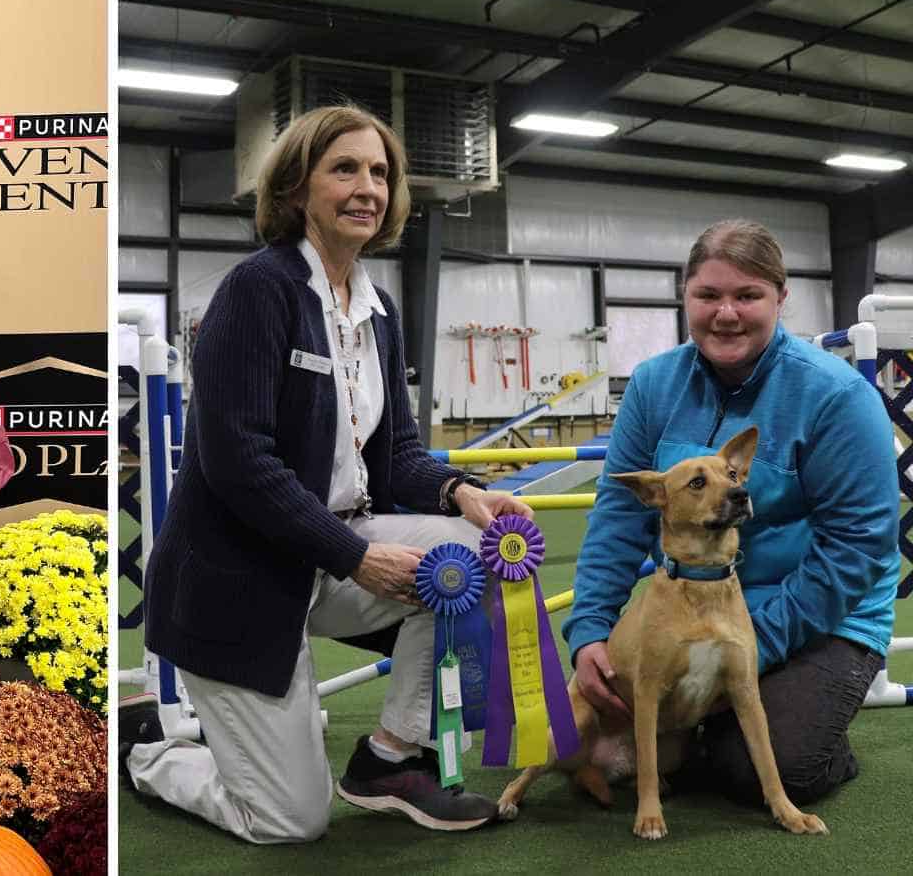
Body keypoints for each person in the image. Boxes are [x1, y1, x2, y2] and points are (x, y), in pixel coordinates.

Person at [120, 104, 533, 843]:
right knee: (290, 822)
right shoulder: (258, 289)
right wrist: (357, 557)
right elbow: (239, 462)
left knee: (471, 554)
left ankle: (388, 759)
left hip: (328, 558)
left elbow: (398, 454)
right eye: (344, 169)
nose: (367, 187)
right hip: (235, 583)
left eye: (380, 172)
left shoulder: (376, 310)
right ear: (295, 189)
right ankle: (153, 751)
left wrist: (464, 493)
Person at [564, 219, 899, 805]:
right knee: (601, 737)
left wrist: (748, 650)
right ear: (685, 297)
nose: (726, 314)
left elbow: (856, 550)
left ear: (781, 298)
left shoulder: (838, 397)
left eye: (748, 296)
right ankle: (708, 727)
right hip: (693, 605)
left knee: (775, 768)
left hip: (822, 617)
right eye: (708, 295)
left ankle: (808, 739)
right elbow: (619, 516)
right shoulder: (651, 385)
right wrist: (590, 628)